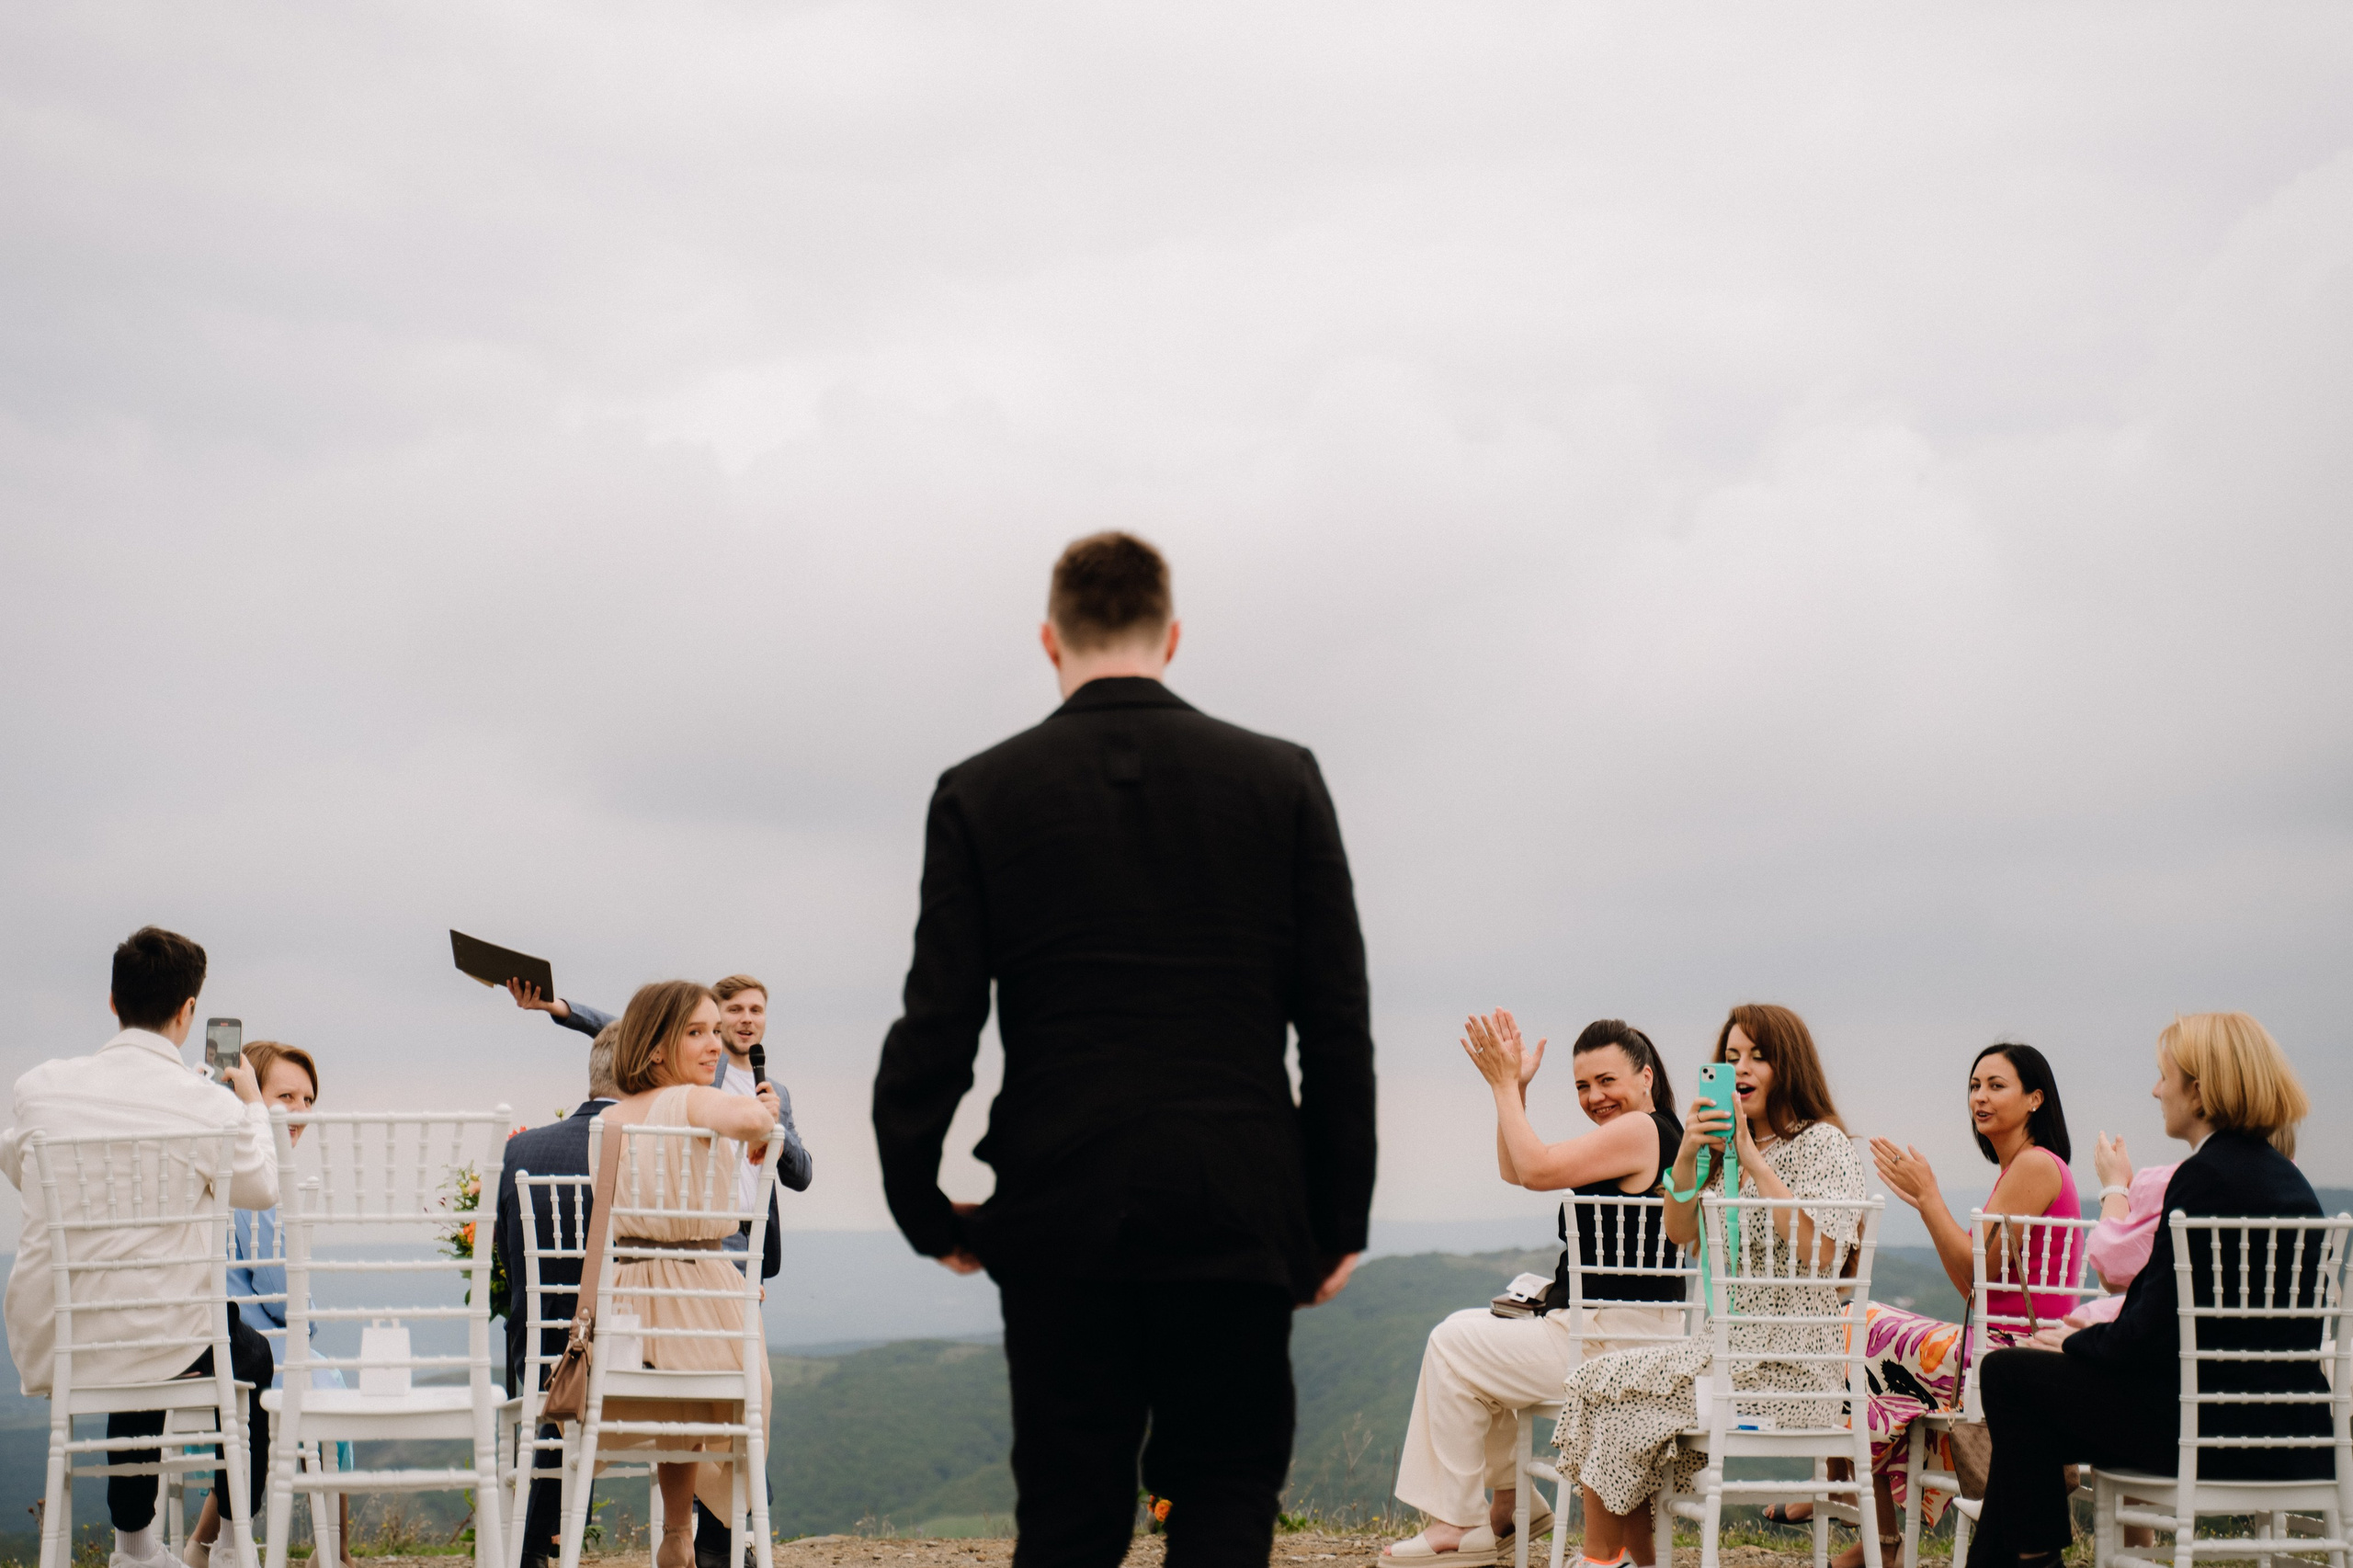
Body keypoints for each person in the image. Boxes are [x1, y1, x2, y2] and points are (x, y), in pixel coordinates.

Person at [872, 531, 1378, 1568]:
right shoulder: (1280, 779)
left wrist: (923, 1208)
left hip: (1060, 1201)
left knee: (1068, 1516)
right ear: (1172, 636)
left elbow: (938, 1025)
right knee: (1226, 1491)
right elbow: (1335, 1023)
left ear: (1049, 639)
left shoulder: (980, 792)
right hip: (1236, 1197)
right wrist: (1335, 1217)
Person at [1964, 1014, 2325, 1568]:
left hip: (2207, 1432)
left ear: (2199, 1090)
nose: (2157, 1090)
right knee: (2028, 1414)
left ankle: (2037, 1561)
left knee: (2008, 1374)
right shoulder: (2286, 1180)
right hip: (2285, 1428)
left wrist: (2074, 1342)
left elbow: (2149, 1331)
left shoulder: (2205, 1177)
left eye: (2165, 1076)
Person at [1, 926, 279, 1568]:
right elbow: (262, 1187)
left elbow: (19, 1163)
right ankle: (232, 1540)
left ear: (112, 1001)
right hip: (167, 1339)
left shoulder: (40, 1088)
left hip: (63, 1336)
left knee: (131, 1333)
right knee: (245, 1353)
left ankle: (135, 1549)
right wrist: (251, 1107)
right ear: (188, 1011)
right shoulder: (206, 1105)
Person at [1550, 1004, 1865, 1568]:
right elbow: (1678, 1232)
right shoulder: (1721, 1155)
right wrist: (1692, 1151)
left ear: (1789, 1066)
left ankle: (1601, 1561)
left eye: (1758, 1057)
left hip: (1791, 1368)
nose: (1740, 1068)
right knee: (1592, 1382)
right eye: (1731, 1056)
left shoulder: (1823, 1143)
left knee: (1623, 1408)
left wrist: (1754, 1161)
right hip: (1724, 1354)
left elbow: (1824, 1254)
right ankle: (1627, 1561)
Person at [1384, 1017, 1687, 1566]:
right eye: (1582, 1086)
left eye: (1607, 1080)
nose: (1594, 1097)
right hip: (1614, 1331)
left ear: (1646, 1077)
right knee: (1471, 1332)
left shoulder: (1641, 1131)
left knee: (1450, 1344)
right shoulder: (1650, 1132)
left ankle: (1459, 1524)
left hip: (1609, 1341)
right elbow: (1514, 1168)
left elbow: (1535, 1169)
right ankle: (1509, 1505)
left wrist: (1503, 1085)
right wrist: (1516, 1090)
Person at [1764, 1044, 2080, 1564]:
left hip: (2014, 1354)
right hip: (2000, 1344)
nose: (1980, 1097)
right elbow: (1975, 1290)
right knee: (1861, 1343)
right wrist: (1926, 1201)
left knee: (1853, 1323)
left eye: (1996, 1086)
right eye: (1974, 1086)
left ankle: (1861, 1512)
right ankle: (1865, 1517)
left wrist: (1928, 1197)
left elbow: (1975, 1278)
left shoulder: (2034, 1165)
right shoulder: (2022, 1167)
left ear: (2035, 1099)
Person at [586, 982, 781, 1568]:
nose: (714, 1045)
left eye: (714, 1032)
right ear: (655, 1049)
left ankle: (677, 1531)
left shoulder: (610, 1117)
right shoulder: (692, 1100)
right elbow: (748, 1115)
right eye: (696, 1032)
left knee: (681, 1398)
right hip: (697, 1298)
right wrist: (763, 1120)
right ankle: (719, 1533)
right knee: (722, 1391)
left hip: (626, 1314)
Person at [179, 1041, 358, 1568]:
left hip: (196, 1343)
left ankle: (202, 1543)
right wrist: (308, 1319)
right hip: (257, 1349)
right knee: (326, 1382)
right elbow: (283, 1292)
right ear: (249, 1094)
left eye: (308, 1099)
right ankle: (335, 1549)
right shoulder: (266, 1179)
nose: (300, 1111)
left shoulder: (209, 1163)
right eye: (285, 1096)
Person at [494, 1024, 622, 1568]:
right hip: (621, 1351)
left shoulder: (521, 1148)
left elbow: (507, 1255)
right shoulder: (647, 1145)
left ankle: (539, 1541)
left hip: (536, 1346)